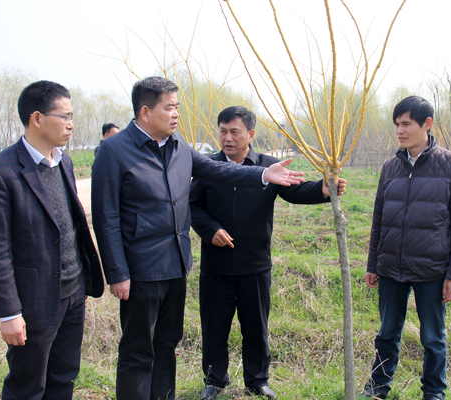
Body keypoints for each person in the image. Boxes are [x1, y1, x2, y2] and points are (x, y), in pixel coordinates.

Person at [91, 77, 305, 400]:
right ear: (146, 112)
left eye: (177, 106)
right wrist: (117, 272)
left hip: (175, 266)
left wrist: (263, 173)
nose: (176, 114)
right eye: (170, 107)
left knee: (166, 344)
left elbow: (220, 170)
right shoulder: (114, 150)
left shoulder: (179, 147)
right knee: (138, 349)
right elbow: (105, 216)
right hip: (140, 269)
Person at [189, 106, 346, 400]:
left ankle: (257, 381)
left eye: (234, 131)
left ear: (250, 134)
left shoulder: (268, 166)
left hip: (255, 263)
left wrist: (324, 191)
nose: (227, 138)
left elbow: (295, 191)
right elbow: (193, 205)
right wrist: (210, 230)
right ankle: (214, 381)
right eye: (222, 131)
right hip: (216, 265)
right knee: (214, 327)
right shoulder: (208, 168)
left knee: (256, 327)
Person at [0, 80, 105, 400]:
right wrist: (9, 313)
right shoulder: (0, 172)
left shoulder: (64, 162)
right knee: (27, 386)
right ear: (36, 118)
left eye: (72, 116)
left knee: (63, 378)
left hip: (73, 293)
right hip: (34, 302)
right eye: (65, 116)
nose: (71, 124)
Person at [358, 96, 451, 400]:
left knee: (433, 338)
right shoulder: (390, 168)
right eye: (397, 125)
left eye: (406, 124)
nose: (400, 130)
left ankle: (434, 392)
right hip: (391, 269)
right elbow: (379, 220)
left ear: (427, 124)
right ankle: (378, 387)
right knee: (386, 333)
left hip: (432, 270)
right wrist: (373, 264)